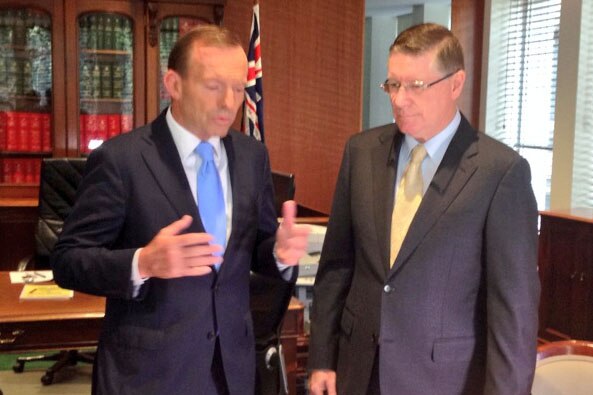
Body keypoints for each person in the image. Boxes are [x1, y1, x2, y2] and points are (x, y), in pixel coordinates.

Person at [51, 25, 310, 395]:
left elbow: (256, 249)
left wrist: (280, 254)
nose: (229, 103)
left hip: (231, 370)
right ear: (174, 84)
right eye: (213, 86)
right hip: (149, 374)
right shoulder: (121, 160)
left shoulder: (253, 157)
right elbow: (67, 260)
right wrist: (142, 263)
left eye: (238, 88)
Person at [308, 23, 540, 395]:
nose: (400, 100)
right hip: (357, 370)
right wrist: (322, 357)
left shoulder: (500, 173)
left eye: (416, 86)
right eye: (393, 85)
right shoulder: (361, 152)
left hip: (442, 381)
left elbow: (513, 311)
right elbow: (337, 266)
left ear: (455, 84)